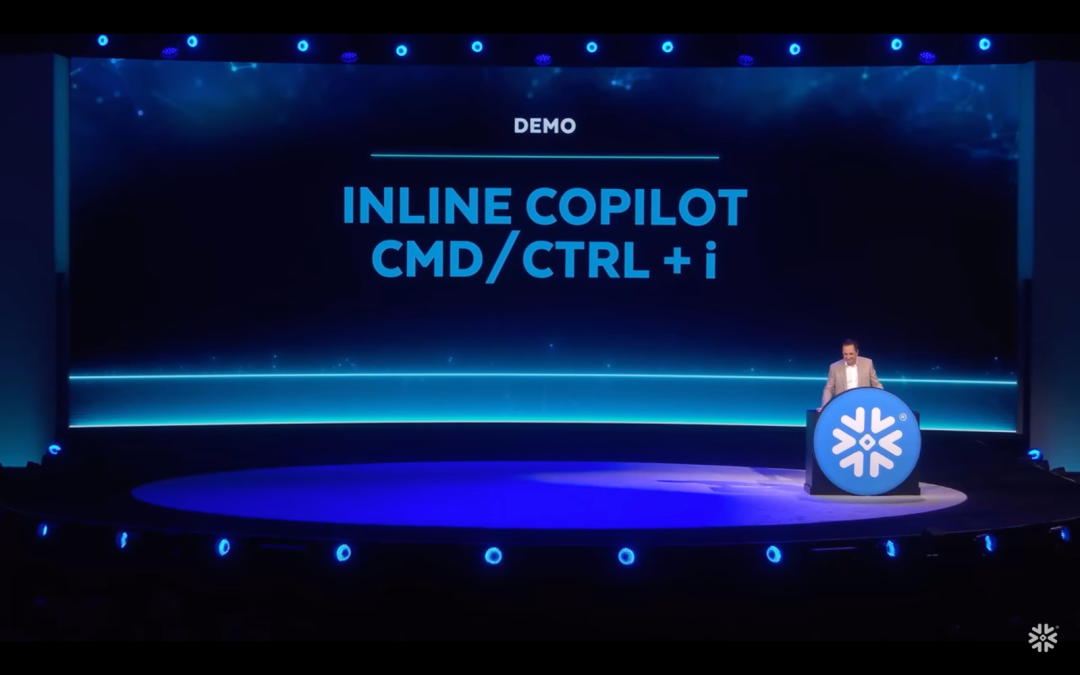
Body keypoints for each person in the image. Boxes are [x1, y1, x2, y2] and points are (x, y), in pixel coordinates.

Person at [818, 339, 883, 411]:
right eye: (845, 354)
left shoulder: (867, 364)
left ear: (857, 352)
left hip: (863, 406)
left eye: (851, 354)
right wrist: (825, 406)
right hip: (843, 406)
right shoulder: (834, 367)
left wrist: (884, 400)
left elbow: (876, 384)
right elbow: (829, 389)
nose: (848, 357)